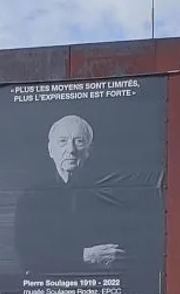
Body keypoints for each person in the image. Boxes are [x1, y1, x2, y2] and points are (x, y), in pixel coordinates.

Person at [13, 114, 126, 275]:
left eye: (79, 141)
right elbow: (30, 258)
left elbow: (116, 252)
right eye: (63, 141)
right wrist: (86, 256)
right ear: (51, 150)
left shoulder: (111, 195)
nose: (71, 150)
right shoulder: (31, 198)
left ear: (89, 150)